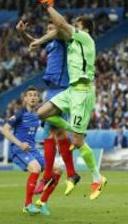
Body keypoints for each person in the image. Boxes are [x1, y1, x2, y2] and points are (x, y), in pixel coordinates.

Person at [30, 0, 107, 200]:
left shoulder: (86, 39)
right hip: (71, 90)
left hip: (82, 93)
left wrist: (47, 6)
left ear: (86, 29)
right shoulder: (72, 40)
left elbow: (61, 24)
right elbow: (57, 29)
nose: (74, 27)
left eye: (78, 26)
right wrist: (37, 38)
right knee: (42, 113)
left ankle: (97, 177)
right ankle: (74, 130)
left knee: (78, 141)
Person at [16, 20, 79, 196]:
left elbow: (52, 33)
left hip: (62, 89)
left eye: (51, 28)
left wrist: (39, 39)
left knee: (47, 127)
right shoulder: (51, 44)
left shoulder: (63, 38)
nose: (49, 31)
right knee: (57, 134)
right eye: (48, 29)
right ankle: (72, 173)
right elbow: (33, 42)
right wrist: (22, 33)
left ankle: (48, 176)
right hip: (52, 90)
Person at [1, 86, 62, 215]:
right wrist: (19, 143)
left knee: (57, 169)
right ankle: (28, 205)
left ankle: (42, 202)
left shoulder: (39, 115)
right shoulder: (19, 114)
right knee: (36, 168)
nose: (33, 97)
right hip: (19, 150)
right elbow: (4, 129)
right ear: (25, 99)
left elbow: (49, 129)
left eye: (35, 95)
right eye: (30, 95)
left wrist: (56, 143)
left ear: (38, 98)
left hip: (33, 150)